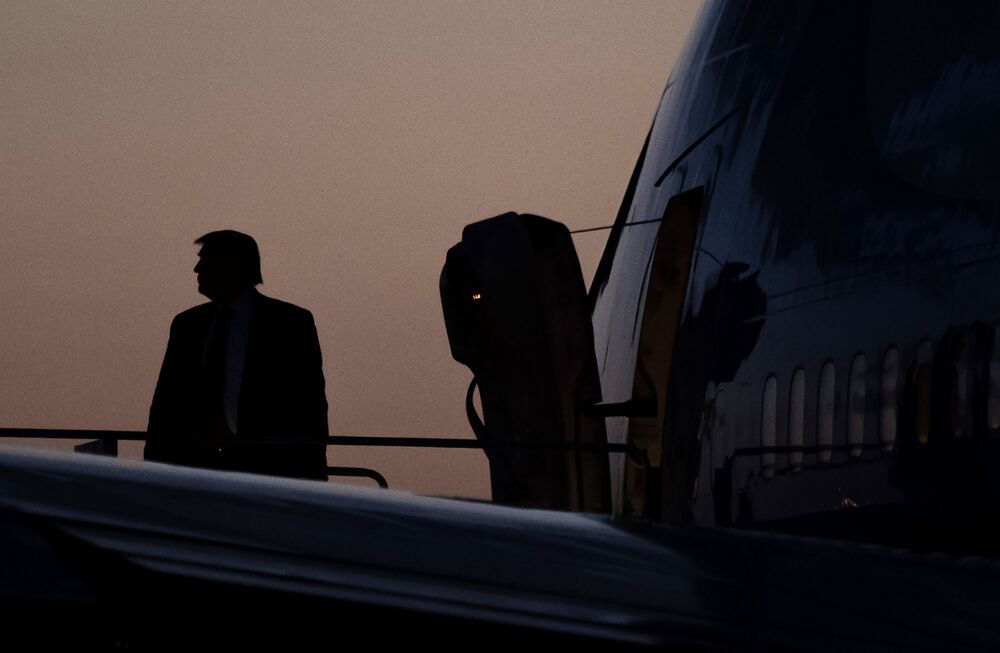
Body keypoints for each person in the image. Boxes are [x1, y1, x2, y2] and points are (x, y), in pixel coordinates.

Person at [145, 230, 329, 480]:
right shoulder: (187, 324)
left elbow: (309, 402)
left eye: (205, 260)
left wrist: (310, 472)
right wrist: (154, 467)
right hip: (194, 469)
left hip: (267, 469)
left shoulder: (290, 324)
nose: (196, 269)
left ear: (232, 265)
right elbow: (166, 401)